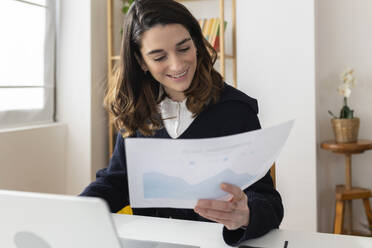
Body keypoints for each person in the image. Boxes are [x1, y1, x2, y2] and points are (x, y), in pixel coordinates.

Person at [80, 0, 283, 246]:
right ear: (141, 62)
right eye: (159, 57)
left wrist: (245, 215)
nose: (177, 65)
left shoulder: (235, 110)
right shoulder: (137, 111)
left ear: (197, 44)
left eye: (183, 48)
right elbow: (117, 181)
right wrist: (77, 210)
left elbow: (267, 201)